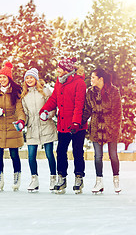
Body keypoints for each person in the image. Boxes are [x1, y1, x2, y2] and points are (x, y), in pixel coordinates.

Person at [39, 57, 87, 194]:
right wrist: (44, 110)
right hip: (63, 123)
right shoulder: (59, 82)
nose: (57, 70)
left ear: (66, 70)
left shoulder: (79, 83)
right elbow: (54, 98)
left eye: (59, 68)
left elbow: (79, 104)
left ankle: (79, 177)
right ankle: (62, 177)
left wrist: (76, 122)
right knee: (60, 151)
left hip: (77, 125)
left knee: (77, 151)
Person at [82, 68, 122, 194]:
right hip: (96, 126)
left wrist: (115, 127)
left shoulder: (114, 91)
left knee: (113, 155)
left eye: (93, 77)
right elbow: (87, 109)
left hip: (110, 126)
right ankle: (99, 181)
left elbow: (118, 111)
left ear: (101, 79)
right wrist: (79, 122)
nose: (91, 79)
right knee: (98, 156)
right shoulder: (90, 92)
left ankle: (116, 180)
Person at [20, 68, 57, 192]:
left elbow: (52, 107)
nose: (29, 80)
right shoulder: (24, 95)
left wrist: (48, 114)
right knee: (31, 156)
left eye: (31, 77)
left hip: (46, 126)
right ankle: (34, 179)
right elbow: (24, 113)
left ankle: (53, 178)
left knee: (49, 154)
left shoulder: (45, 91)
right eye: (27, 78)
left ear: (36, 78)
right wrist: (22, 123)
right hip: (32, 128)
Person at [0, 61, 26, 192]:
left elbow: (20, 109)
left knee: (14, 154)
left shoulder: (16, 91)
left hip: (12, 125)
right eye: (0, 77)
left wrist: (21, 121)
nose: (2, 80)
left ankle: (17, 177)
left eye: (4, 77)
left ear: (9, 78)